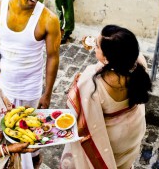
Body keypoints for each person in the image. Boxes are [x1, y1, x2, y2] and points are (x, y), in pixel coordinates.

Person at [0, 0, 61, 168]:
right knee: (4, 135)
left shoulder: (48, 20)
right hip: (1, 87)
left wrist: (47, 94)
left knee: (31, 139)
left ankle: (34, 164)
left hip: (30, 89)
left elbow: (53, 57)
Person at [61, 25, 152, 169]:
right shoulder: (138, 62)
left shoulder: (92, 81)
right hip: (133, 132)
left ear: (107, 58)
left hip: (110, 141)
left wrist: (78, 85)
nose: (94, 47)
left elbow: (77, 114)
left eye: (97, 46)